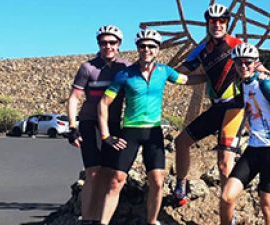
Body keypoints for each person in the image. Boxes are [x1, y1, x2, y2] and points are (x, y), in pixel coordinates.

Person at [98, 29, 202, 225]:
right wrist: (106, 135)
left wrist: (212, 79)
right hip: (130, 130)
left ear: (158, 50)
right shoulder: (125, 74)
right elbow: (104, 103)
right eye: (143, 46)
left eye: (151, 46)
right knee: (116, 180)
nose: (147, 49)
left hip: (153, 131)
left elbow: (186, 80)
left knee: (157, 180)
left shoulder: (164, 72)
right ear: (138, 48)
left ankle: (152, 221)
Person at [172, 3, 270, 206]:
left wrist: (263, 71)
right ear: (207, 23)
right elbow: (181, 71)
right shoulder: (202, 49)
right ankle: (181, 187)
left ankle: (229, 214)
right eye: (212, 21)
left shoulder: (236, 44)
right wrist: (162, 73)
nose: (217, 24)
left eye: (222, 21)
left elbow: (256, 63)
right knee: (181, 142)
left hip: (235, 106)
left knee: (224, 163)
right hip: (216, 107)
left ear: (227, 23)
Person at [65, 25, 131, 225]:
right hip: (89, 122)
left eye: (112, 43)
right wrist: (72, 127)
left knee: (108, 173)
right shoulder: (88, 67)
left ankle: (100, 220)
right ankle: (87, 219)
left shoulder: (125, 68)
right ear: (99, 45)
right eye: (104, 43)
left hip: (113, 124)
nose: (108, 46)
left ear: (119, 45)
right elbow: (74, 98)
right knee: (93, 173)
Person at [219, 43, 270, 225]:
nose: (243, 66)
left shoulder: (264, 84)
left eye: (247, 63)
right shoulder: (241, 85)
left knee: (268, 206)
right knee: (227, 197)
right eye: (239, 63)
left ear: (255, 63)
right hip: (252, 150)